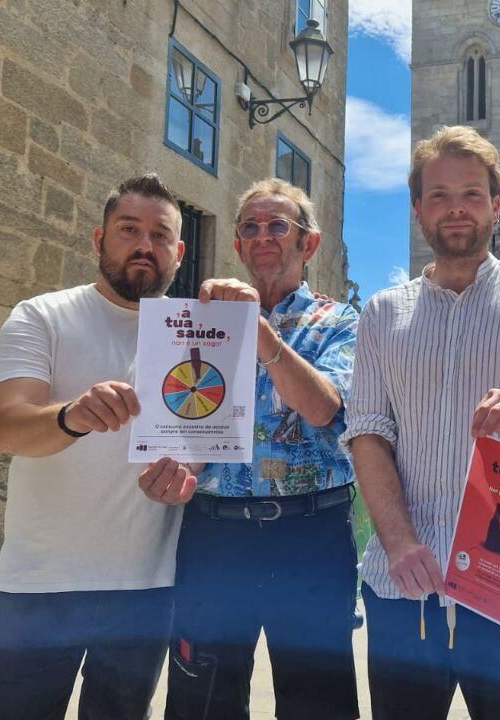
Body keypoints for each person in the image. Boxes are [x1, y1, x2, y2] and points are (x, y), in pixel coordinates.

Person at [342, 125, 500, 720]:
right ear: (417, 209)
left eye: (471, 193)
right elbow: (367, 431)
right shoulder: (383, 314)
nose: (455, 207)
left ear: (496, 204)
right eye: (438, 195)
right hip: (405, 581)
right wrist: (399, 541)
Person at [137, 178, 361, 720]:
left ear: (308, 244)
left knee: (318, 704)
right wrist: (171, 468)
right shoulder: (196, 323)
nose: (264, 237)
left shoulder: (343, 323)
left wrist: (264, 338)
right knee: (201, 700)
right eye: (251, 228)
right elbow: (187, 415)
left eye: (278, 226)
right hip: (215, 535)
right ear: (237, 245)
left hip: (311, 536)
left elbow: (328, 408)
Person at [0, 174, 187, 719]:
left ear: (179, 251)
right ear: (99, 239)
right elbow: (10, 428)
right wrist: (73, 416)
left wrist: (191, 473)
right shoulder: (41, 315)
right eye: (128, 230)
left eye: (160, 235)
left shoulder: (195, 335)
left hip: (145, 590)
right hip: (38, 587)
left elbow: (208, 437)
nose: (144, 245)